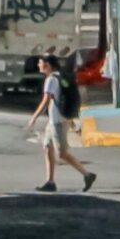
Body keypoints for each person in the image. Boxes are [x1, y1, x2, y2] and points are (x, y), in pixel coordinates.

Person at [28, 51, 97, 194]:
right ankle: (50, 182)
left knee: (62, 154)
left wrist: (34, 117)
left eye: (40, 62)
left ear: (47, 65)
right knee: (47, 147)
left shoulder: (51, 80)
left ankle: (87, 175)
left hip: (57, 121)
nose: (38, 65)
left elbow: (46, 101)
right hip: (58, 119)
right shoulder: (61, 76)